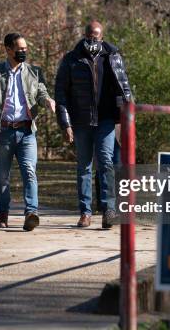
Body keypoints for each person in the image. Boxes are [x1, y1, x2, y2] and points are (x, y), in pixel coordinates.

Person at [55, 21, 132, 228]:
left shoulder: (113, 57)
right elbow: (60, 93)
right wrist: (65, 124)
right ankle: (85, 212)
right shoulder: (72, 59)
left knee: (106, 162)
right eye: (89, 35)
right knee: (84, 166)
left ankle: (109, 210)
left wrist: (128, 119)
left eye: (96, 36)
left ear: (102, 36)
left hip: (106, 119)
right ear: (84, 35)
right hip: (81, 120)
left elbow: (125, 89)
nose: (92, 39)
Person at [0, 33, 55, 231]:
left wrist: (47, 101)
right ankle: (2, 214)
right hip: (3, 131)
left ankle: (31, 213)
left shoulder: (34, 72)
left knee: (30, 172)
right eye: (20, 49)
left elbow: (41, 92)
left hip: (27, 131)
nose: (24, 52)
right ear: (8, 49)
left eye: (25, 49)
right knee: (2, 176)